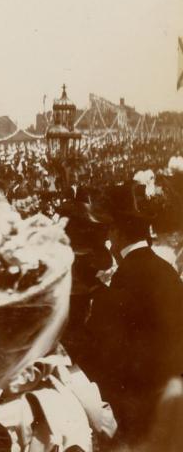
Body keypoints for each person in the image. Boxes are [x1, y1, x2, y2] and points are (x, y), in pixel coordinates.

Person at [85, 181, 183, 445]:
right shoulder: (165, 268)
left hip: (142, 400)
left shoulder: (127, 275)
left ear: (116, 233)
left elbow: (113, 348)